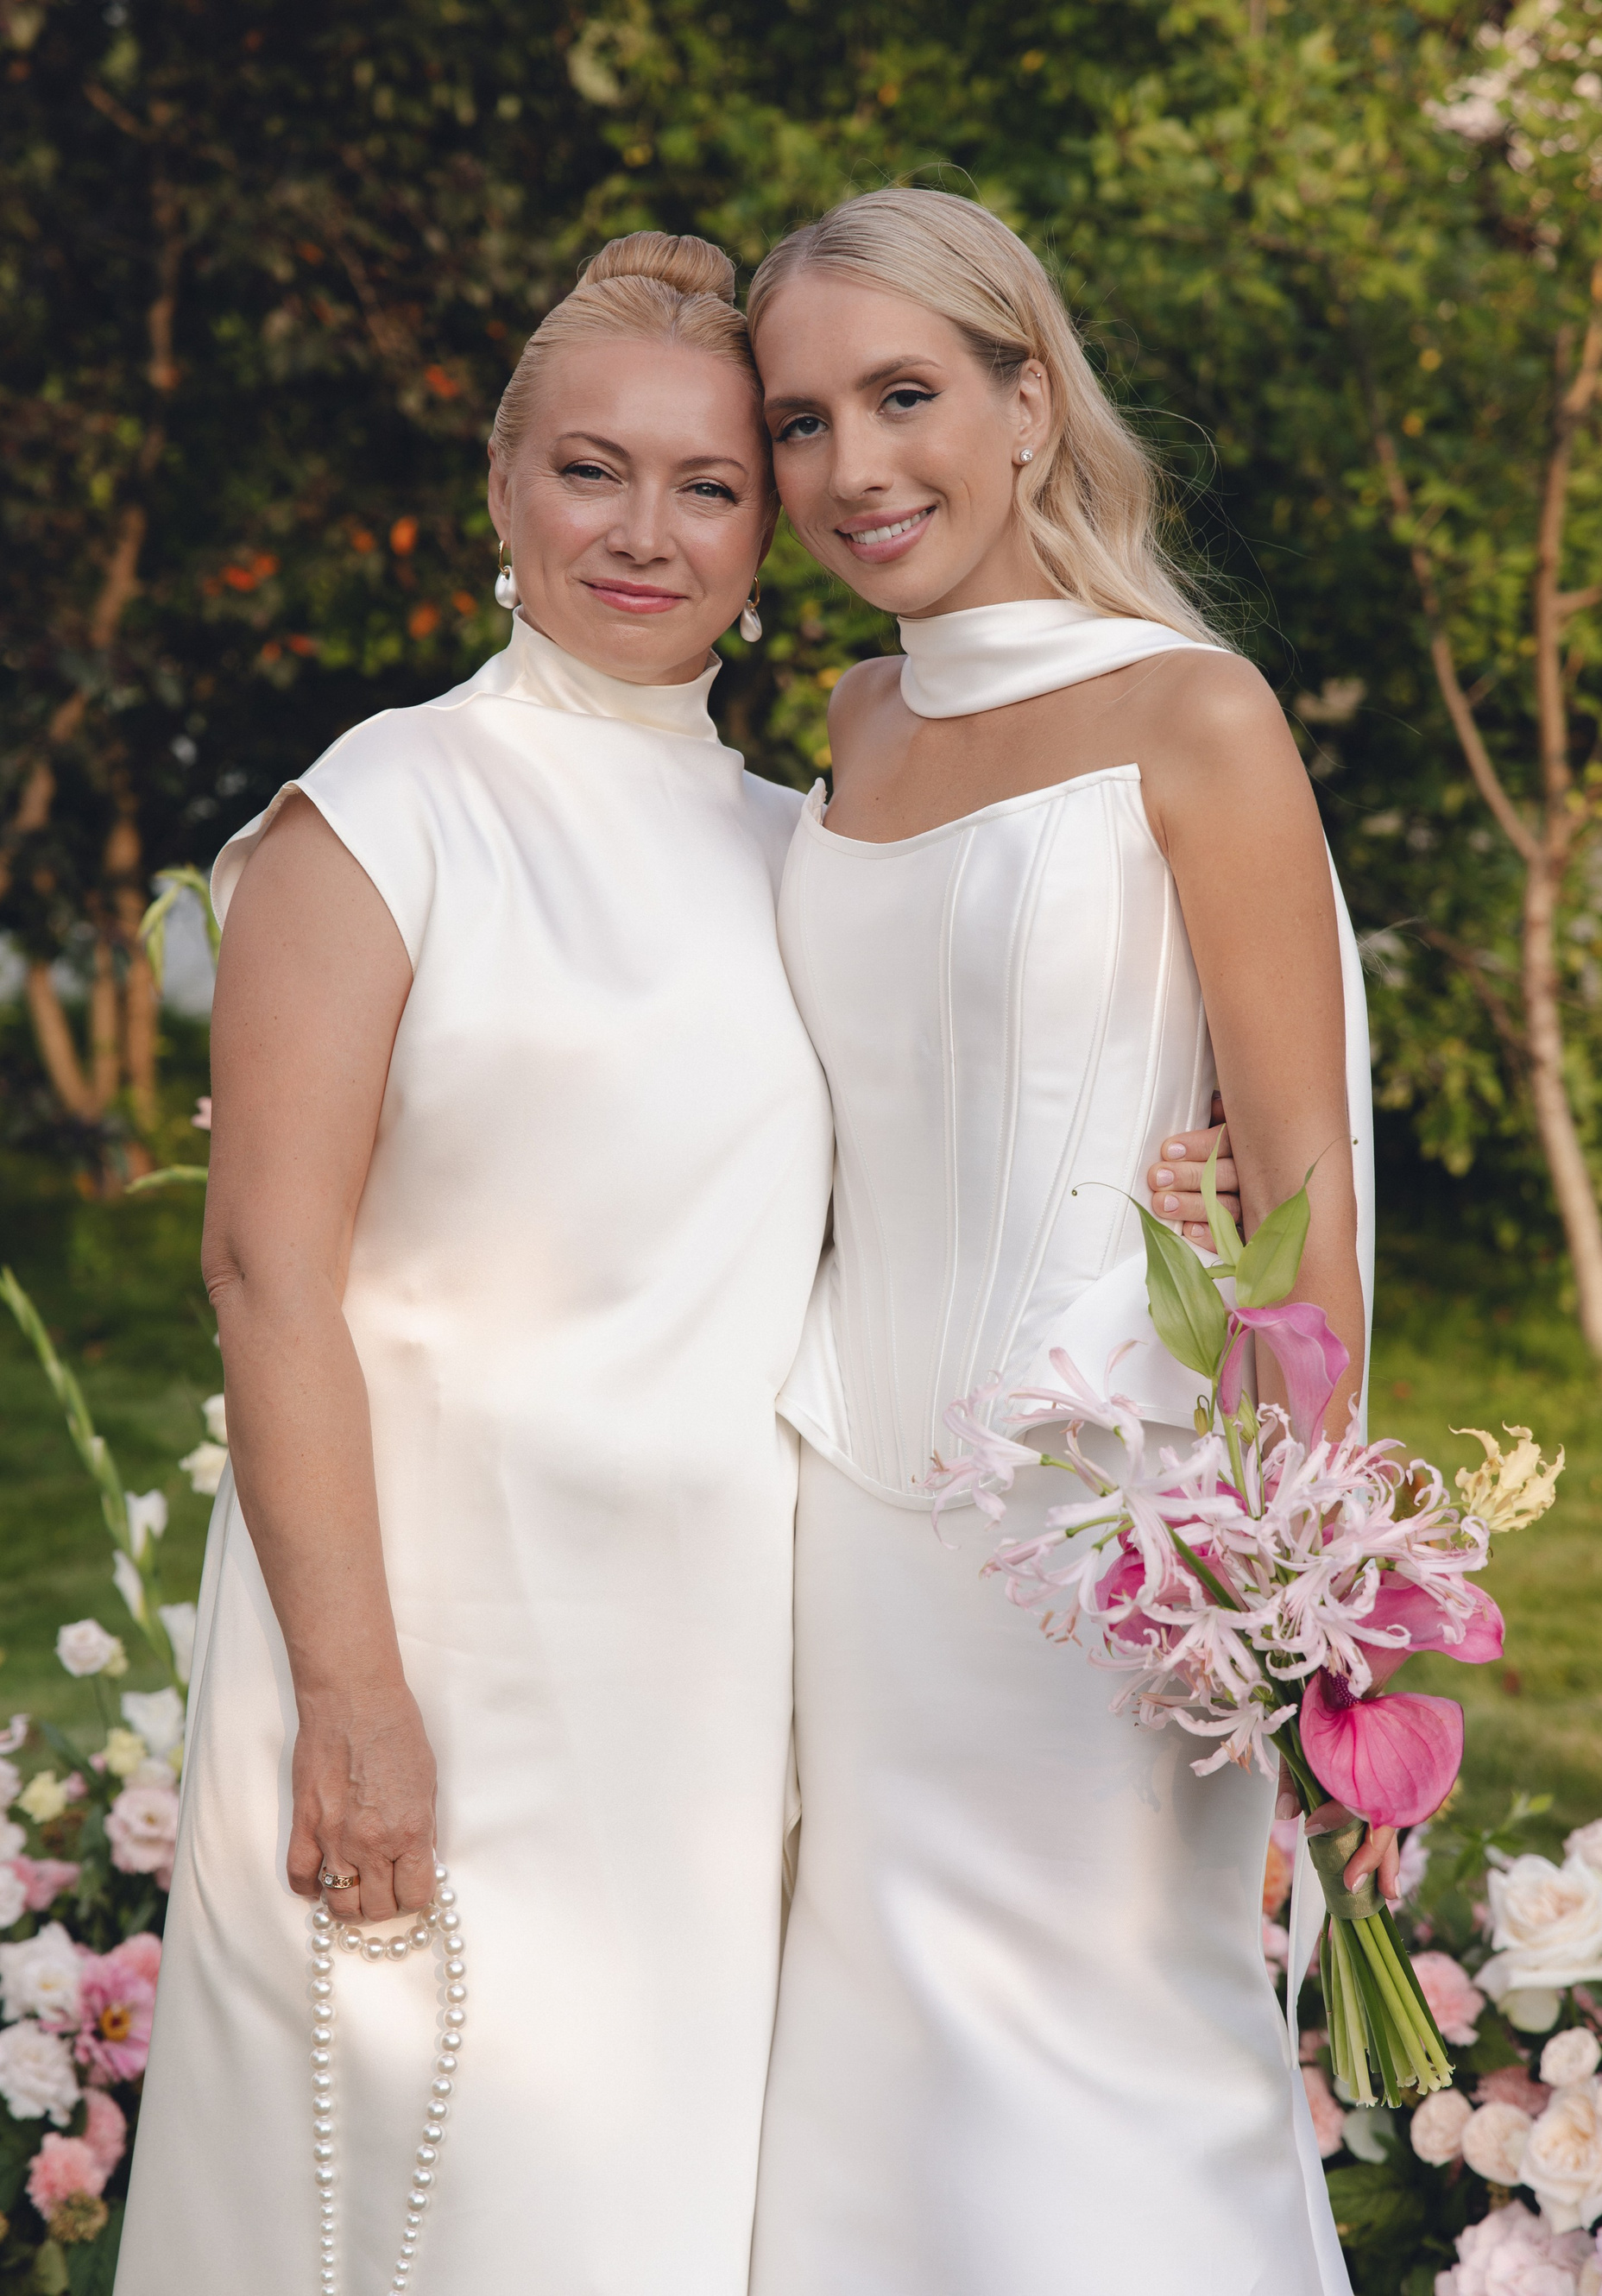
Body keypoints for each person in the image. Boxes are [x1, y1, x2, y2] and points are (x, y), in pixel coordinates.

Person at [115, 232, 836, 2296]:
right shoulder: (385, 807)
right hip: (425, 1647)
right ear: (502, 485)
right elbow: (265, 1273)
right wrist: (355, 1702)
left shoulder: (810, 846)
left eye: (707, 484)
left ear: (768, 528)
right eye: (591, 469)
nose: (645, 530)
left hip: (707, 1692)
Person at [742, 186, 1384, 2296]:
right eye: (803, 421)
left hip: (1111, 1533)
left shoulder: (1196, 715)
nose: (854, 467)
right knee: (874, 2077)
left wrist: (1299, 1604)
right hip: (846, 1526)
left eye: (903, 395)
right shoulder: (853, 726)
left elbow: (1302, 1197)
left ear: (1028, 400)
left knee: (1117, 2060)